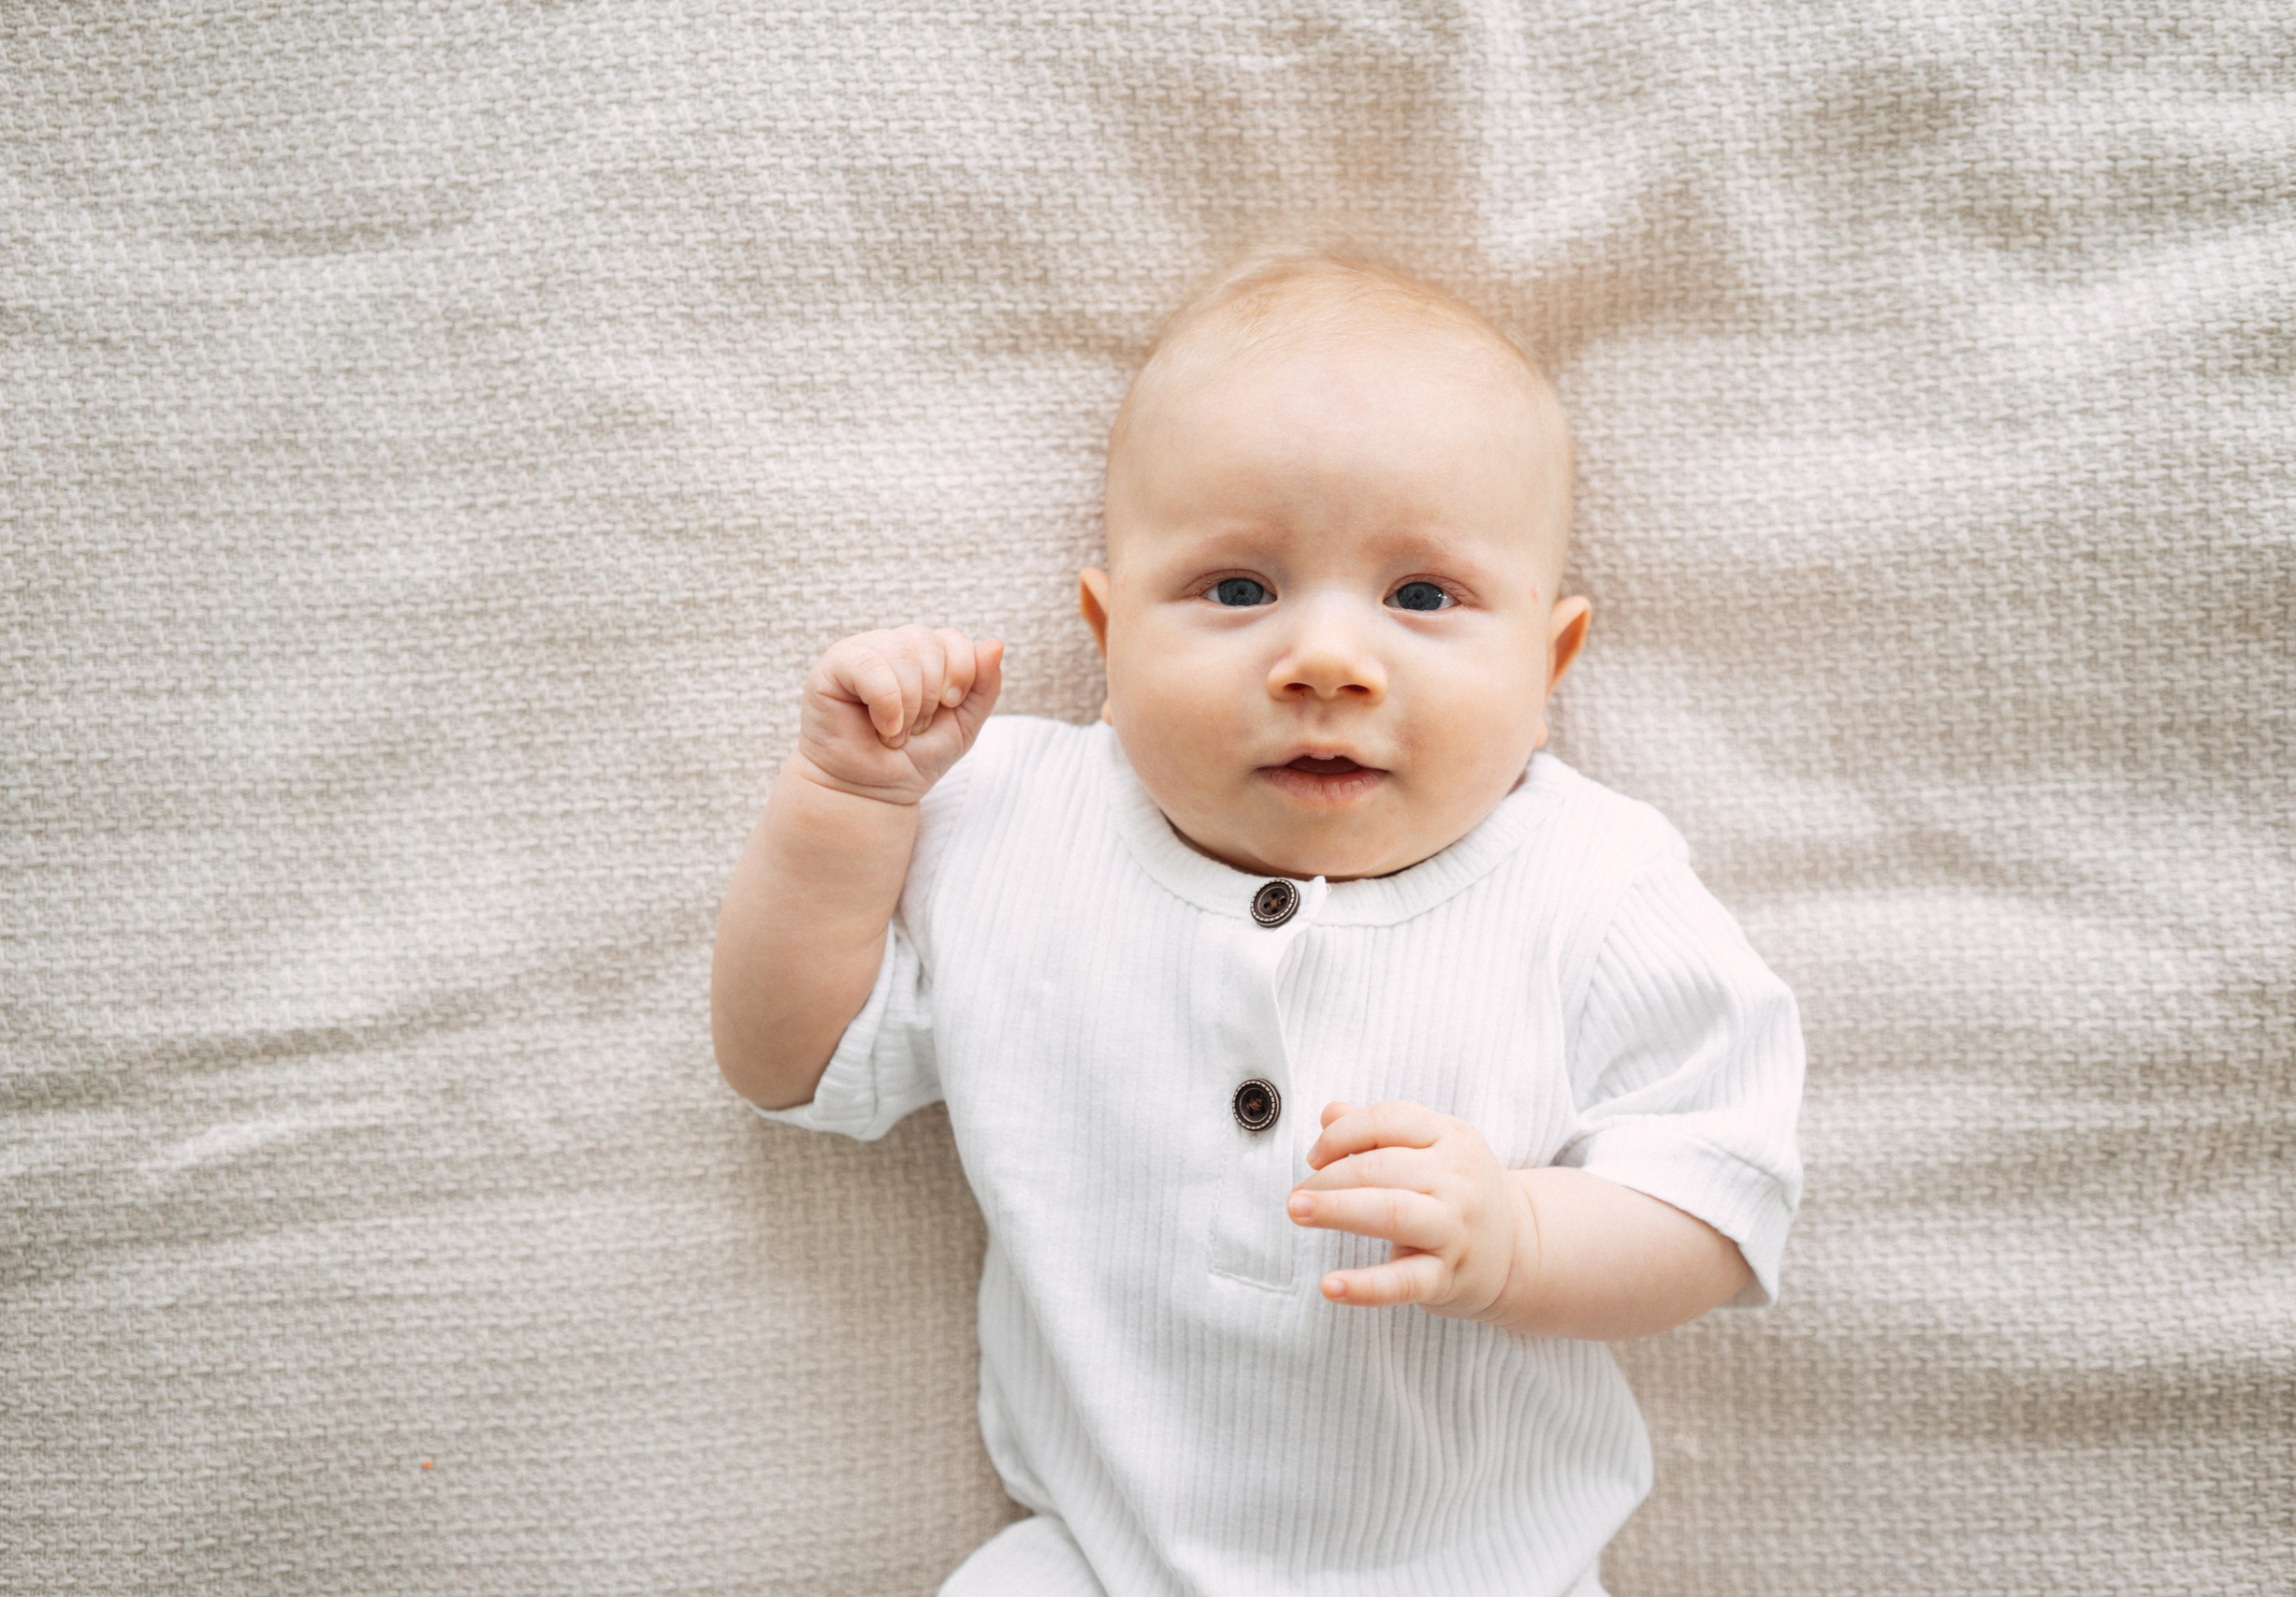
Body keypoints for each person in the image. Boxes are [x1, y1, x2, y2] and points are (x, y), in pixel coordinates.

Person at [711, 250, 1806, 1597]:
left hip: (1476, 1572)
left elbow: (1718, 1199)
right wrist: (842, 803)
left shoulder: (1592, 883)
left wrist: (1520, 1238)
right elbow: (791, 1064)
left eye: (1422, 597)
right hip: (1103, 1564)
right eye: (1238, 590)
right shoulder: (1011, 826)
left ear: (1549, 662)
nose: (1327, 661)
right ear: (1108, 639)